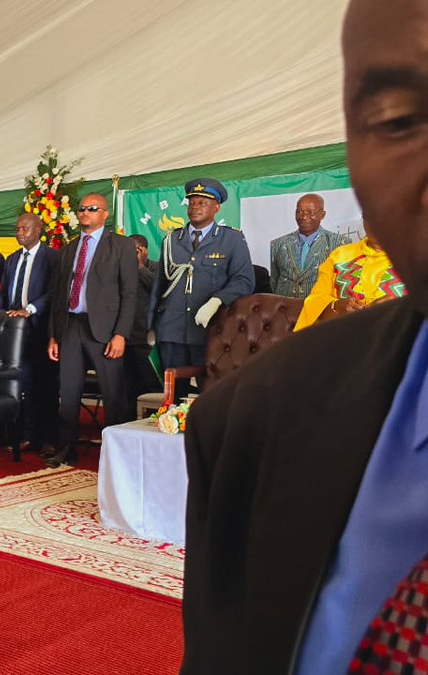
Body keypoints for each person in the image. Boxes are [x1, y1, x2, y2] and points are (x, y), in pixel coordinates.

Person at [181, 1, 428, 672]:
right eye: (400, 120)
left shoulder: (239, 245)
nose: (197, 210)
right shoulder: (246, 425)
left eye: (205, 202)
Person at [45, 193, 137, 467]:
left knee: (113, 393)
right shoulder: (71, 248)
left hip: (106, 329)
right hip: (71, 325)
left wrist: (121, 333)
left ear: (105, 213)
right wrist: (54, 334)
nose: (85, 213)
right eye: (82, 209)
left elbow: (130, 293)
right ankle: (67, 447)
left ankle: (116, 454)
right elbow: (57, 295)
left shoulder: (120, 246)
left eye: (92, 208)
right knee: (69, 390)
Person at [151, 178, 253, 400]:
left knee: (212, 394)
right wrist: (151, 326)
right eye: (191, 202)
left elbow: (244, 280)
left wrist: (217, 301)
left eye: (202, 203)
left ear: (216, 207)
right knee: (171, 398)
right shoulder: (171, 240)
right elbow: (159, 286)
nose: (195, 207)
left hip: (211, 330)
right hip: (172, 330)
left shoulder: (231, 239)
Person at [0, 213, 59, 454]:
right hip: (14, 332)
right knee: (21, 382)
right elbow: (4, 294)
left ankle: (48, 438)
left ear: (38, 230)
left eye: (25, 229)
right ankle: (26, 434)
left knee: (44, 385)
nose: (20, 232)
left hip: (39, 329)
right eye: (17, 228)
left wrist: (29, 310)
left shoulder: (51, 257)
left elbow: (53, 293)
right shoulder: (12, 259)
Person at [293, 221, 404, 331]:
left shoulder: (415, 260)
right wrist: (336, 307)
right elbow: (314, 302)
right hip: (343, 339)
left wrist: (395, 307)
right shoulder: (340, 256)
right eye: (370, 215)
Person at [269, 194, 346, 298]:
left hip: (322, 310)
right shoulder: (278, 244)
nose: (304, 217)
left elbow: (343, 284)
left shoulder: (340, 243)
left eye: (310, 213)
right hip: (285, 310)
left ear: (322, 214)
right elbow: (274, 282)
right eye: (299, 212)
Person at [126, 235, 161, 400]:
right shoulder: (121, 268)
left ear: (143, 250)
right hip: (123, 337)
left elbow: (159, 290)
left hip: (146, 339)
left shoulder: (156, 267)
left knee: (151, 384)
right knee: (127, 388)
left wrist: (139, 266)